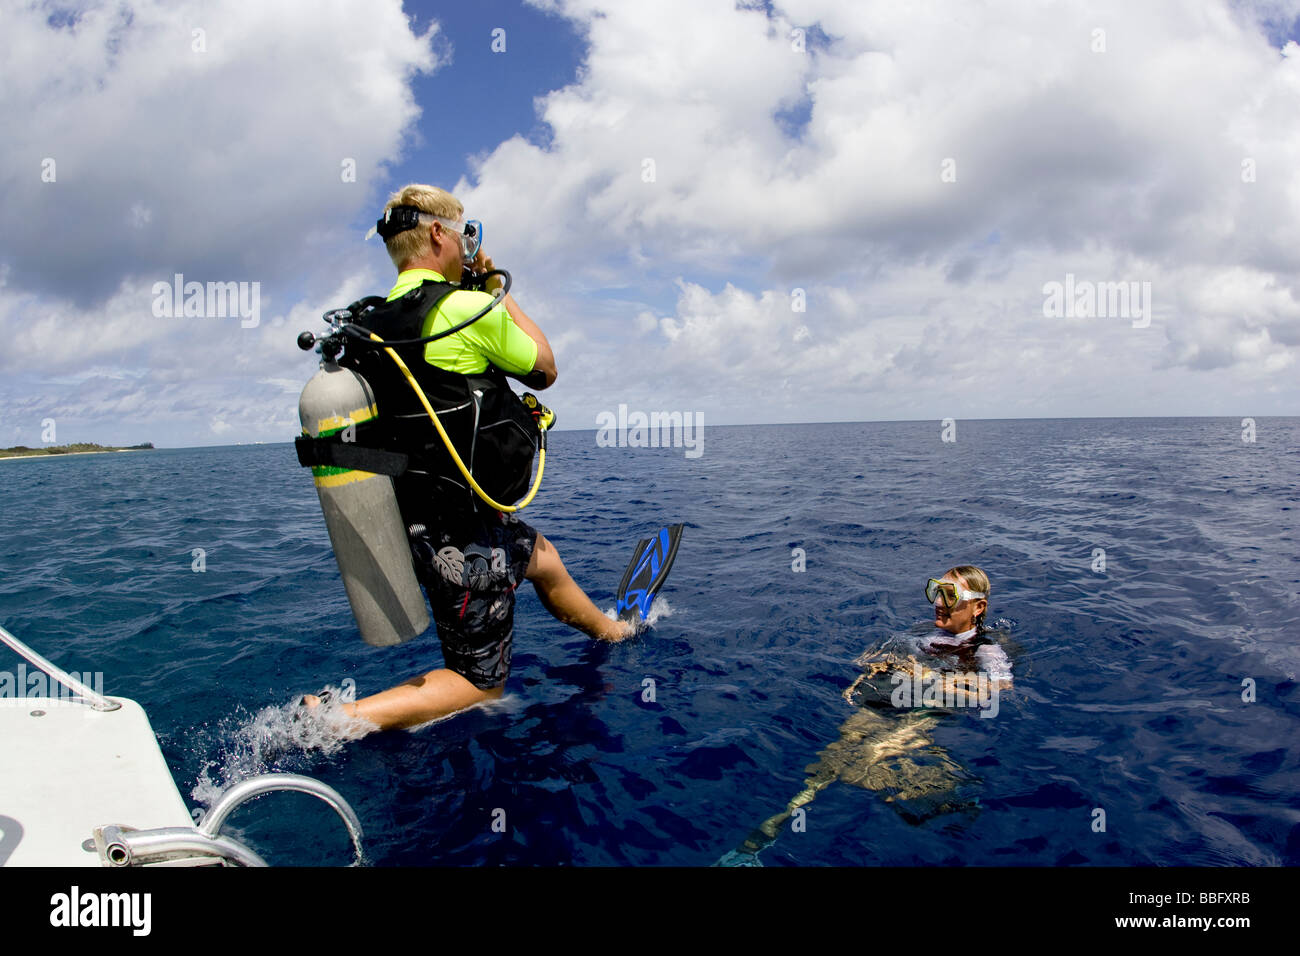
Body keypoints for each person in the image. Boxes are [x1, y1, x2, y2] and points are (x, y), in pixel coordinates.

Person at [304, 185, 633, 732]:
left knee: (538, 556)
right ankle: (337, 720)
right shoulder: (465, 309)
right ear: (438, 234)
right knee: (480, 682)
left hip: (409, 516)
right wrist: (493, 287)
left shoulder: (369, 325)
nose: (467, 247)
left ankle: (612, 632)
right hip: (461, 528)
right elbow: (545, 367)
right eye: (465, 234)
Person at [716, 565, 1010, 865]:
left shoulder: (984, 649)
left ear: (978, 606)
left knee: (869, 755)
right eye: (935, 591)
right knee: (832, 759)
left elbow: (999, 688)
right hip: (884, 703)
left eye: (948, 595)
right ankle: (759, 841)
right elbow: (872, 658)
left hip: (924, 712)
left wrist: (930, 680)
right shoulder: (922, 634)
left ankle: (947, 794)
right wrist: (875, 667)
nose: (937, 602)